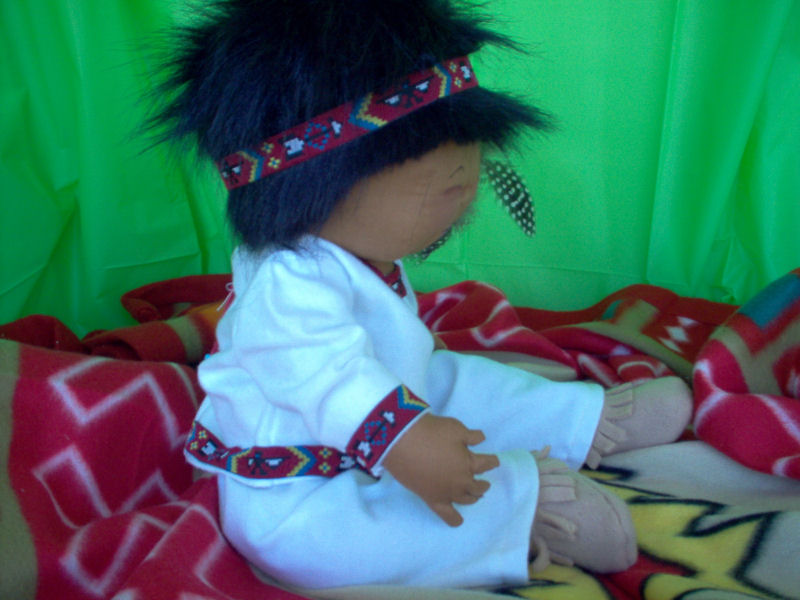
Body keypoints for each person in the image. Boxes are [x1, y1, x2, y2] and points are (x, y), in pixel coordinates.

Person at [151, 0, 693, 590]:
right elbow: (327, 376)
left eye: (466, 157)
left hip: (392, 394)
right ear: (307, 190)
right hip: (297, 486)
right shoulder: (286, 285)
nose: (465, 181)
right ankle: (519, 512)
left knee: (455, 380)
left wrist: (412, 424)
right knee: (323, 545)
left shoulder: (351, 250)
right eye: (425, 171)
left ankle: (585, 420)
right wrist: (403, 439)